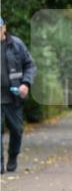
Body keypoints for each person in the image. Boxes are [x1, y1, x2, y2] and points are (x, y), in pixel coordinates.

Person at [1, 17, 37, 174]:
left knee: (16, 130)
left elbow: (30, 65)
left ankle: (13, 156)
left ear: (4, 28)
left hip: (13, 96)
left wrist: (25, 84)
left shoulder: (16, 45)